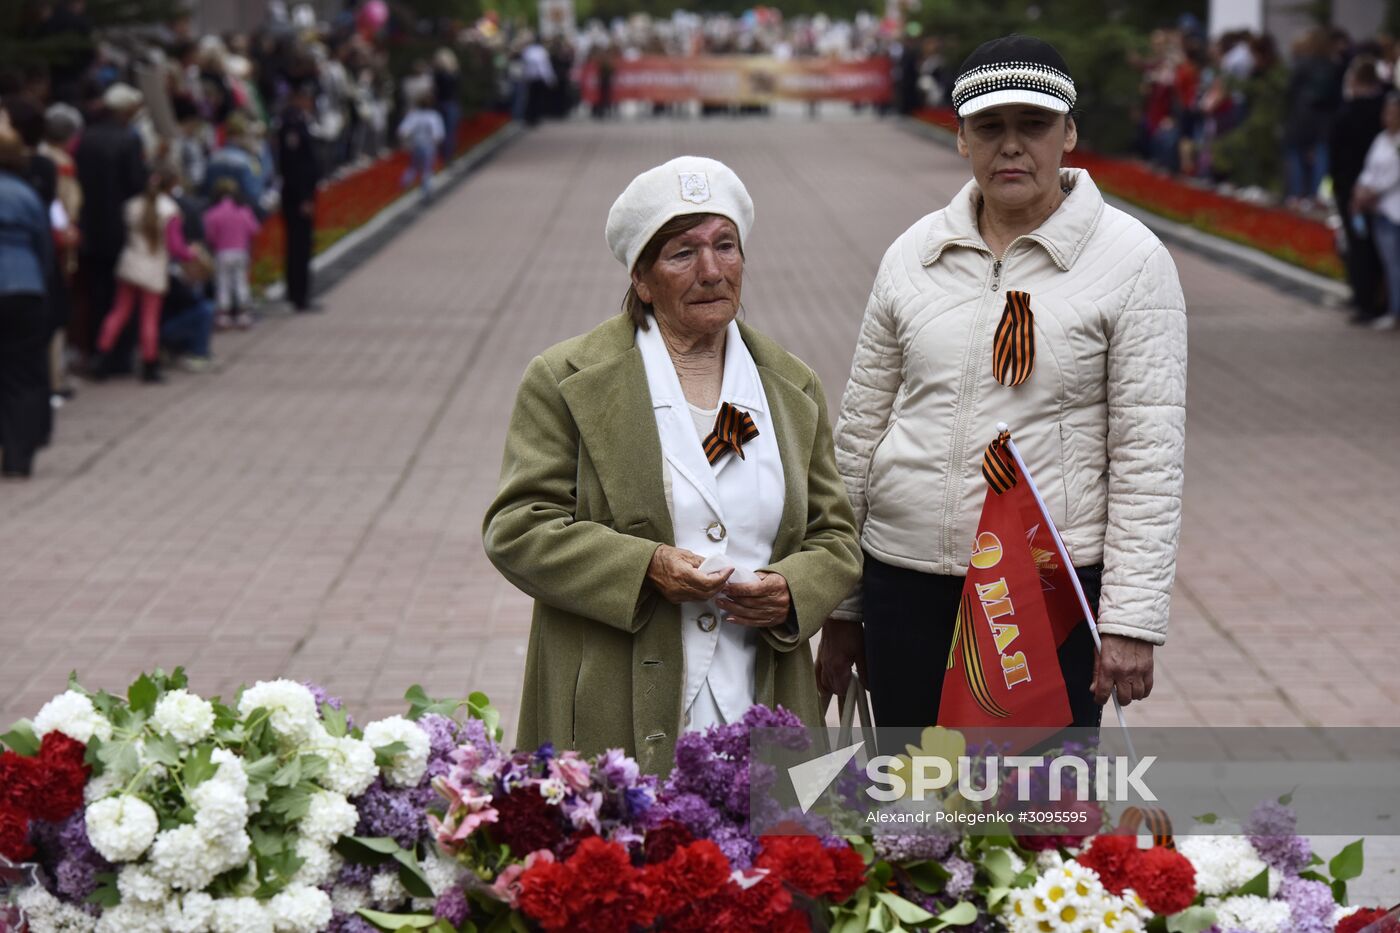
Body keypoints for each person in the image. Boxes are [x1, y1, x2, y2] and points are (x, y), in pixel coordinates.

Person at [818, 36, 1187, 731]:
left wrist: (1132, 618)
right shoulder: (914, 254)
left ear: (1069, 132)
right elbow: (861, 432)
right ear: (961, 138)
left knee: (1033, 823)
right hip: (906, 579)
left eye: (1033, 126)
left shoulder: (1133, 261)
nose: (1011, 146)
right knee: (912, 817)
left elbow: (1149, 453)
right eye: (989, 127)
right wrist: (841, 605)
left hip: (1046, 590)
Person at [483, 157, 862, 774]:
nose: (711, 270)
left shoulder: (791, 386)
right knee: (624, 862)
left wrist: (794, 590)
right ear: (641, 276)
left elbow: (835, 535)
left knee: (773, 865)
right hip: (615, 699)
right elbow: (518, 528)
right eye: (682, 253)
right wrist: (646, 566)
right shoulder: (566, 379)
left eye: (725, 246)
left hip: (760, 694)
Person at [93, 165, 196, 384]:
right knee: (149, 319)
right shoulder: (170, 210)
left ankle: (101, 358)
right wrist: (191, 254)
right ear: (172, 185)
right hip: (153, 269)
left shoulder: (132, 205)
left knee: (119, 313)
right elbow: (176, 246)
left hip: (129, 264)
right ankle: (150, 364)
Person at [74, 83, 147, 364]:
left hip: (91, 226)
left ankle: (97, 348)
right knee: (123, 293)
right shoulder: (128, 139)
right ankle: (118, 353)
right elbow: (136, 184)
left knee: (97, 291)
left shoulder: (86, 138)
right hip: (120, 227)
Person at [0, 117, 54, 478]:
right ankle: (20, 452)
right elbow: (44, 246)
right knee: (24, 372)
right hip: (24, 287)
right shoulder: (25, 194)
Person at [1330, 59, 1388, 321]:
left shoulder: (1348, 112)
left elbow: (1335, 153)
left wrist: (1343, 187)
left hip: (1353, 189)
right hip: (1378, 192)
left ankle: (1364, 301)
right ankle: (1377, 300)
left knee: (1358, 247)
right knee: (1375, 250)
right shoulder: (1382, 110)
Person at [1353, 92, 1400, 332]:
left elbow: (1394, 176)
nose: (1389, 117)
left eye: (1393, 113)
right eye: (1387, 113)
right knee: (1389, 265)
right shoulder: (1381, 139)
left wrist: (1373, 192)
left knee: (1395, 267)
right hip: (1380, 211)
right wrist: (1360, 190)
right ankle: (1393, 310)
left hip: (1394, 209)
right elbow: (1368, 169)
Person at [275, 81, 320, 312]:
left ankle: (300, 293)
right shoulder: (292, 124)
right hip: (297, 196)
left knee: (302, 245)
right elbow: (295, 166)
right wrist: (305, 198)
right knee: (298, 245)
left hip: (301, 194)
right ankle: (298, 296)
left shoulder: (299, 121)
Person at [203, 177, 261, 329]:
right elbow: (254, 229)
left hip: (222, 252)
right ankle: (243, 314)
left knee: (223, 283)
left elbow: (210, 235)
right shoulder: (243, 210)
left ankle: (224, 315)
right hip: (240, 250)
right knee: (241, 282)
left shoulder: (213, 213)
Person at [396, 92, 444, 203]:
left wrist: (406, 141)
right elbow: (438, 135)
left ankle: (403, 186)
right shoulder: (433, 116)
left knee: (413, 167)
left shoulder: (414, 115)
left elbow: (402, 131)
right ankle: (426, 193)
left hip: (416, 146)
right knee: (427, 170)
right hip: (428, 146)